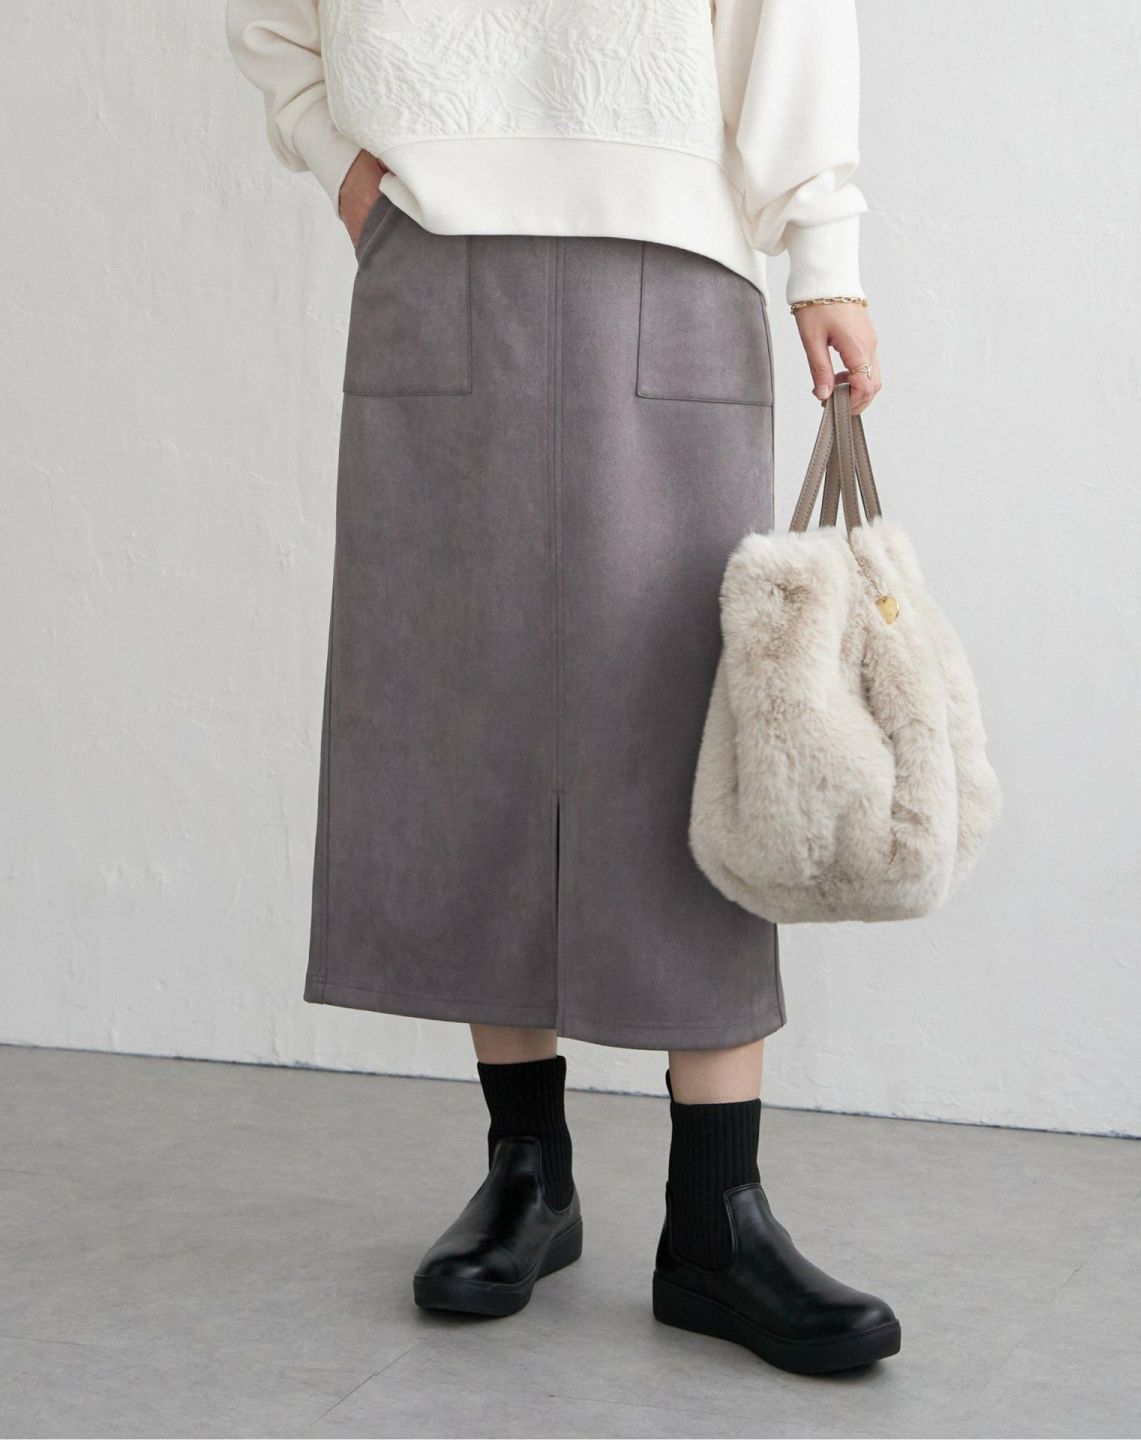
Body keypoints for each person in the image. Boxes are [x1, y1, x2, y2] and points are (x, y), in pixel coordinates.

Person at [227, 0, 896, 1375]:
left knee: (692, 729)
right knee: (467, 709)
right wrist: (340, 161)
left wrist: (824, 247)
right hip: (433, 247)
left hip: (674, 254)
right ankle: (526, 1171)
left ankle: (717, 1211)